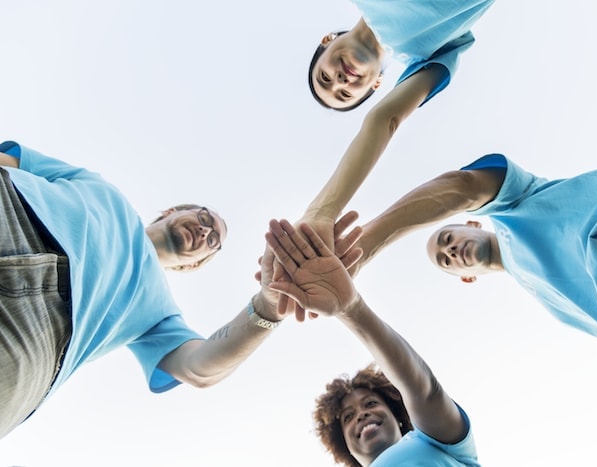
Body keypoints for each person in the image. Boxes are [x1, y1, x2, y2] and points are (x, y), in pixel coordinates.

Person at [0, 140, 361, 439]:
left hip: (40, 331)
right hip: (16, 212)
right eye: (204, 219)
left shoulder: (159, 314)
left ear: (193, 265)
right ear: (171, 211)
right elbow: (10, 160)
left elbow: (201, 368)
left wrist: (267, 308)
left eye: (212, 240)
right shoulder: (101, 189)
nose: (205, 232)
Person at [340, 152, 597, 379]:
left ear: (473, 222)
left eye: (448, 238)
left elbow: (462, 186)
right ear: (466, 277)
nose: (450, 251)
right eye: (445, 260)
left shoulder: (514, 202)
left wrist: (362, 248)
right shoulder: (543, 295)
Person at [265, 219, 480, 466]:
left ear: (400, 416)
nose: (362, 414)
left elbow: (424, 390)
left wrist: (352, 309)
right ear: (344, 445)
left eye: (370, 403)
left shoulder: (434, 441)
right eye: (347, 417)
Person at [300, 0, 495, 255]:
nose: (340, 81)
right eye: (346, 94)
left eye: (325, 77)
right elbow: (385, 119)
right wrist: (320, 214)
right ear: (377, 84)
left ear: (327, 40)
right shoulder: (431, 58)